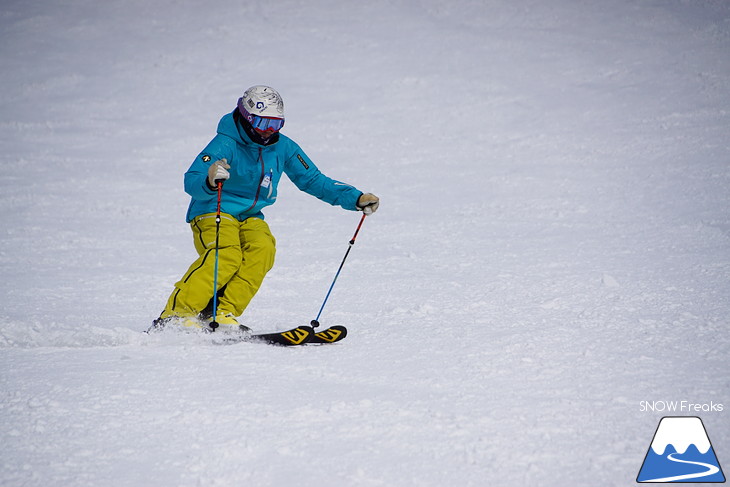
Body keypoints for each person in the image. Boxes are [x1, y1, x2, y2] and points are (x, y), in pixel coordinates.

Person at [154, 85, 379, 332]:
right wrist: (209, 179)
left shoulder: (283, 147)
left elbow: (313, 179)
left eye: (276, 124)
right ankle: (175, 315)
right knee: (226, 254)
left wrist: (354, 198)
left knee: (263, 249)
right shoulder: (226, 143)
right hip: (213, 208)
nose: (268, 131)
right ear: (248, 117)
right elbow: (191, 179)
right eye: (263, 123)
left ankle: (220, 312)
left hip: (249, 214)